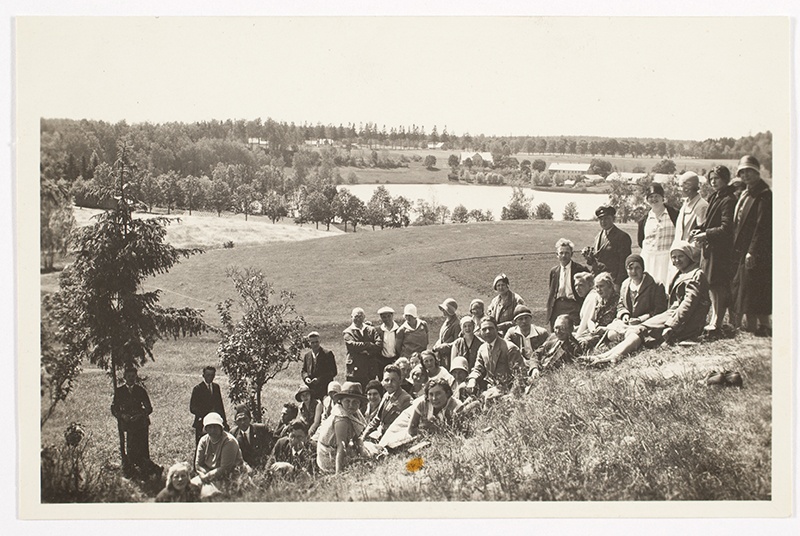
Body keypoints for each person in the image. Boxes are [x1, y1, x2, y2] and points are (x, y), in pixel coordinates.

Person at [583, 241, 710, 367]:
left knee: (640, 329)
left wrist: (672, 325)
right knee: (638, 329)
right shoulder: (682, 273)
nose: (677, 260)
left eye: (680, 256)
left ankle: (612, 357)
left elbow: (688, 304)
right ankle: (605, 356)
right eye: (674, 257)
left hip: (687, 321)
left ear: (689, 256)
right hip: (673, 314)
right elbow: (622, 304)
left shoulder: (695, 275)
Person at [690, 165, 737, 333]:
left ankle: (717, 320)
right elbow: (711, 222)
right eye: (711, 179)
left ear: (725, 179)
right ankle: (715, 317)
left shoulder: (729, 199)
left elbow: (726, 228)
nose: (713, 181)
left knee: (718, 285)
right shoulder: (715, 196)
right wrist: (701, 230)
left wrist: (706, 234)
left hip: (720, 250)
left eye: (716, 178)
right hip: (711, 249)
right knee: (711, 284)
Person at [731, 155, 772, 336]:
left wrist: (752, 251)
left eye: (749, 171)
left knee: (756, 288)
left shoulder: (763, 195)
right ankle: (752, 326)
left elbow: (762, 227)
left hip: (756, 251)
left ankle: (763, 326)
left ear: (757, 172)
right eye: (742, 172)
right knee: (747, 288)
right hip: (744, 249)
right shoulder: (746, 192)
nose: (745, 175)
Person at [111, 366, 161, 478]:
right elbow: (114, 408)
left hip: (141, 424)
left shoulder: (140, 391)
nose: (131, 379)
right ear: (124, 377)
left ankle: (149, 471)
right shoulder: (119, 392)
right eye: (128, 376)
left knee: (143, 449)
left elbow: (149, 408)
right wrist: (122, 415)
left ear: (136, 377)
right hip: (128, 425)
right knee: (131, 449)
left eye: (133, 376)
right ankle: (133, 471)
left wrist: (139, 415)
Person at [607, 254, 668, 342]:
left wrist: (641, 319)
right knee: (611, 334)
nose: (633, 272)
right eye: (630, 268)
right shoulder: (625, 284)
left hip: (648, 322)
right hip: (628, 322)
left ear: (643, 269)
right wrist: (624, 314)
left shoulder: (655, 284)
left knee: (632, 334)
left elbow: (660, 309)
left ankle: (632, 341)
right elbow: (620, 304)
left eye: (637, 268)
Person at [315, 381, 368, 474]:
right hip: (329, 455)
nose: (351, 405)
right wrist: (338, 472)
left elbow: (357, 437)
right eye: (347, 401)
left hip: (339, 450)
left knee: (369, 452)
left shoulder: (354, 412)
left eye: (355, 402)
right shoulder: (341, 418)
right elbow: (341, 445)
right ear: (341, 401)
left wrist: (363, 455)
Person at [465, 317, 525, 396]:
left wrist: (512, 395)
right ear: (480, 332)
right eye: (484, 329)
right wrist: (472, 379)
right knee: (463, 389)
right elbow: (478, 369)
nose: (487, 332)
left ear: (497, 329)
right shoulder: (482, 348)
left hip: (506, 388)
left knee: (488, 398)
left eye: (490, 328)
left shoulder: (509, 348)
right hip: (489, 386)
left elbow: (520, 375)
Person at [638, 182, 679, 286]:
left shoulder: (674, 214)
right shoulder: (644, 219)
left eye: (657, 196)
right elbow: (640, 240)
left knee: (667, 286)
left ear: (663, 198)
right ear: (647, 200)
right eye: (651, 197)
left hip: (668, 259)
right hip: (649, 259)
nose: (654, 199)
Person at [361, 364, 413, 443]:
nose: (389, 383)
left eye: (393, 380)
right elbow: (377, 419)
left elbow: (405, 427)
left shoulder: (406, 399)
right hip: (379, 435)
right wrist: (364, 436)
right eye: (386, 380)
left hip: (393, 439)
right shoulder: (386, 395)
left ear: (400, 380)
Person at [583, 204, 632, 288]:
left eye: (606, 218)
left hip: (612, 282)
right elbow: (597, 259)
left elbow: (623, 264)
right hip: (597, 280)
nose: (603, 222)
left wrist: (618, 283)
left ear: (613, 219)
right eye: (601, 219)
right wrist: (589, 257)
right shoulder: (598, 236)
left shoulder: (622, 237)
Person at [193, 412, 245, 489]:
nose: (212, 430)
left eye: (215, 427)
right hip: (208, 475)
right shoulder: (203, 440)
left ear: (221, 428)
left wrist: (208, 476)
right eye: (209, 427)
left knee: (209, 494)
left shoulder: (229, 441)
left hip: (229, 477)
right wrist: (203, 476)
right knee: (190, 486)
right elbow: (198, 464)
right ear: (205, 429)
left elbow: (225, 469)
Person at [546, 239, 589, 329]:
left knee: (573, 332)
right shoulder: (554, 271)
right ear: (557, 255)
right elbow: (552, 291)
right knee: (557, 333)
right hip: (558, 307)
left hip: (574, 306)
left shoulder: (580, 269)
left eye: (567, 253)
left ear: (571, 254)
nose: (564, 256)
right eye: (561, 253)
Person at [528, 315, 581, 381]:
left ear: (571, 329)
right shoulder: (553, 337)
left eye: (562, 328)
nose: (558, 331)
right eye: (556, 328)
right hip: (537, 372)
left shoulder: (574, 347)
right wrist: (534, 368)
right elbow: (537, 353)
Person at [575, 272, 619, 351]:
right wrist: (592, 329)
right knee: (572, 341)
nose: (598, 290)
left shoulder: (618, 300)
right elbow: (591, 320)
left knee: (583, 344)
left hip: (606, 334)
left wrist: (605, 329)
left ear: (609, 285)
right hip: (594, 332)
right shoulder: (599, 300)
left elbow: (618, 322)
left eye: (601, 286)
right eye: (597, 287)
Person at [343, 307, 382, 389]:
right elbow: (352, 346)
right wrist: (369, 344)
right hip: (355, 371)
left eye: (360, 316)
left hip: (370, 369)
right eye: (355, 316)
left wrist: (367, 351)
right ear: (351, 317)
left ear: (364, 317)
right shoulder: (348, 332)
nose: (358, 319)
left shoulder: (371, 330)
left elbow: (379, 345)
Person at [190, 365, 228, 445]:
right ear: (203, 375)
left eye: (212, 375)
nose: (210, 377)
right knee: (202, 444)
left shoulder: (216, 387)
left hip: (216, 421)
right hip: (202, 422)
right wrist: (206, 414)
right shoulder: (198, 389)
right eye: (208, 375)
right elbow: (192, 408)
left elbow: (220, 405)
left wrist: (224, 421)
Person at [229, 404, 273, 470]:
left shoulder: (261, 429)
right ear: (235, 422)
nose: (243, 422)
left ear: (250, 419)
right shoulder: (233, 434)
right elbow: (235, 455)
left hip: (263, 464)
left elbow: (270, 448)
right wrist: (245, 466)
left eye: (245, 419)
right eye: (239, 420)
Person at [300, 331, 338, 401]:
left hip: (324, 388)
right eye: (312, 342)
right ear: (309, 343)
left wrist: (320, 379)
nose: (315, 344)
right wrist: (306, 378)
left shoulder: (327, 354)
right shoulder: (307, 356)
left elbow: (333, 371)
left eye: (316, 342)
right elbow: (304, 370)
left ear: (320, 341)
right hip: (311, 389)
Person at [673, 171, 709, 242]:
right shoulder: (685, 204)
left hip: (691, 251)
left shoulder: (702, 206)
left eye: (681, 186)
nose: (679, 189)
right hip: (680, 249)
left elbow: (701, 234)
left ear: (688, 187)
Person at [432, 298, 460, 370]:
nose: (443, 311)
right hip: (442, 356)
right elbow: (442, 338)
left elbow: (457, 342)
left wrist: (442, 347)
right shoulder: (447, 321)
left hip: (450, 356)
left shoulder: (456, 324)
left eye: (445, 309)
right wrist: (437, 344)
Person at [574, 272, 599, 338]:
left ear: (590, 285)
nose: (577, 288)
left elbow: (585, 323)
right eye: (575, 285)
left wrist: (577, 337)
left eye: (581, 285)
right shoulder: (590, 295)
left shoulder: (592, 296)